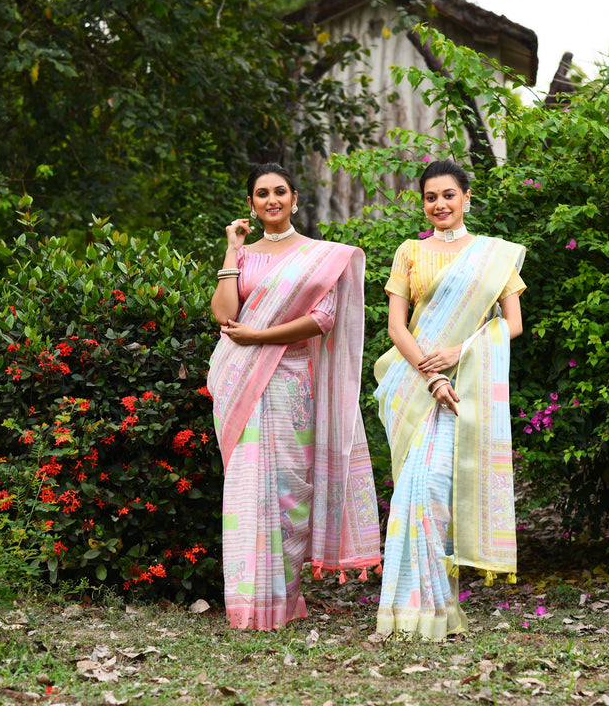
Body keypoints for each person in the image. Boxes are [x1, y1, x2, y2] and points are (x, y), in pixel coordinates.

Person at [207, 163, 381, 630]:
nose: (271, 200)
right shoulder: (241, 257)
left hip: (289, 383)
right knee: (247, 489)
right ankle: (247, 605)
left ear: (295, 199)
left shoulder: (319, 256)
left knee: (288, 490)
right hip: (243, 381)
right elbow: (224, 315)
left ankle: (283, 601)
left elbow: (322, 318)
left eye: (279, 192)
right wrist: (231, 249)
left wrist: (260, 337)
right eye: (261, 194)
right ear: (251, 204)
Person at [373, 160, 526, 640]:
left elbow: (512, 323)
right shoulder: (410, 252)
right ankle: (409, 613)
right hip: (416, 385)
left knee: (436, 493)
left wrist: (463, 350)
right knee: (412, 492)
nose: (439, 204)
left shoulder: (494, 256)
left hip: (466, 386)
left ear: (466, 198)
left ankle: (439, 608)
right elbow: (398, 327)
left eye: (448, 195)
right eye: (430, 197)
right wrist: (432, 377)